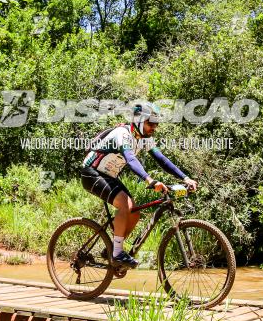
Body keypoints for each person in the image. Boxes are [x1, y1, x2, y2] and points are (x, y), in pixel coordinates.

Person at [80, 102, 197, 268]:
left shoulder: (143, 139)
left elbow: (162, 160)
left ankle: (113, 248)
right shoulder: (122, 134)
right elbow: (130, 159)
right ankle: (118, 253)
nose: (154, 127)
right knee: (124, 205)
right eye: (151, 123)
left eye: (156, 124)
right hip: (91, 173)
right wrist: (149, 180)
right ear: (139, 121)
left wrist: (185, 178)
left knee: (134, 213)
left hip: (108, 175)